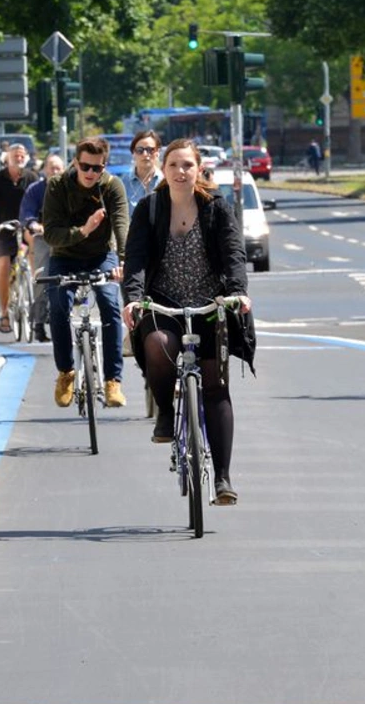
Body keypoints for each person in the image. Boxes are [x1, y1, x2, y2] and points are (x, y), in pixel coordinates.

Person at [122, 139, 253, 506]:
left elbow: (233, 254)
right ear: (164, 170)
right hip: (164, 305)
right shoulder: (149, 209)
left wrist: (239, 292)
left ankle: (224, 479)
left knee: (216, 386)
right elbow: (135, 261)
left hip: (211, 304)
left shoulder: (217, 209)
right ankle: (165, 410)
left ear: (199, 170)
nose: (181, 172)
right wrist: (133, 299)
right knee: (158, 345)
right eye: (174, 165)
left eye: (188, 166)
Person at [42, 136, 129, 408]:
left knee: (110, 305)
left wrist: (124, 261)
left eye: (97, 168)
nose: (90, 173)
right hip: (64, 257)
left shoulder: (113, 187)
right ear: (75, 162)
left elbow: (121, 224)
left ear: (104, 166)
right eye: (85, 166)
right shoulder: (57, 185)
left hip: (101, 256)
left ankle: (113, 380)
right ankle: (66, 372)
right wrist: (84, 230)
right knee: (57, 306)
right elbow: (51, 234)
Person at [0, 143, 39, 333]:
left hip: (26, 224)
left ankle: (34, 280)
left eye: (22, 155)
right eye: (15, 155)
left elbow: (41, 201)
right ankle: (4, 312)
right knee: (4, 265)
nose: (19, 158)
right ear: (7, 158)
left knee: (34, 244)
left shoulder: (32, 177)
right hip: (4, 227)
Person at [18, 153, 66, 342]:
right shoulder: (35, 190)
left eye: (58, 167)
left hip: (66, 238)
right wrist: (34, 225)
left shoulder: (69, 188)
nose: (54, 171)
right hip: (43, 238)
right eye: (51, 167)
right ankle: (38, 323)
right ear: (45, 169)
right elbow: (27, 214)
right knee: (43, 276)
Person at [120, 130, 163, 216]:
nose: (145, 154)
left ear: (157, 152)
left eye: (150, 150)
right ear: (133, 153)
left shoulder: (166, 181)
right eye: (140, 150)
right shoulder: (123, 183)